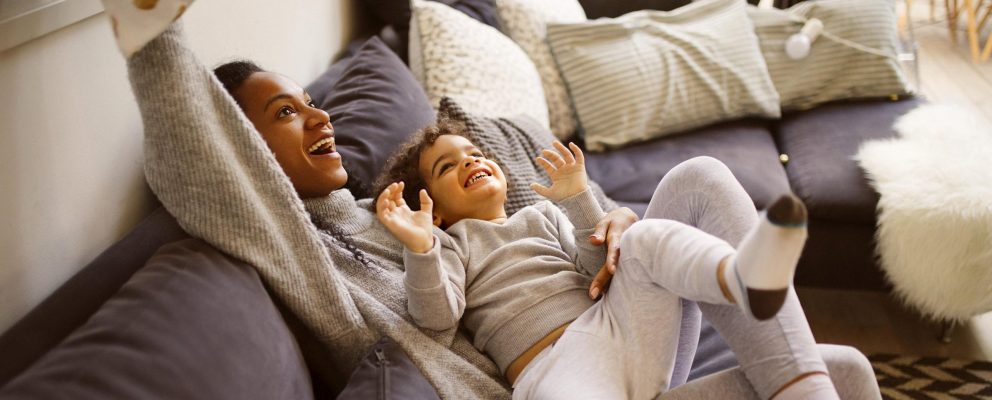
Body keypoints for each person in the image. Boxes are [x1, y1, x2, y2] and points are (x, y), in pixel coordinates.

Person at [126, 22, 880, 399]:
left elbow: (577, 253)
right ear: (244, 154)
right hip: (551, 382)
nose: (320, 119)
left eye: (313, 104)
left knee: (704, 183)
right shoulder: (305, 241)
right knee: (841, 368)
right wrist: (150, 37)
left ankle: (746, 276)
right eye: (288, 114)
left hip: (615, 339)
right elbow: (202, 164)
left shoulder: (378, 207)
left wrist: (612, 221)